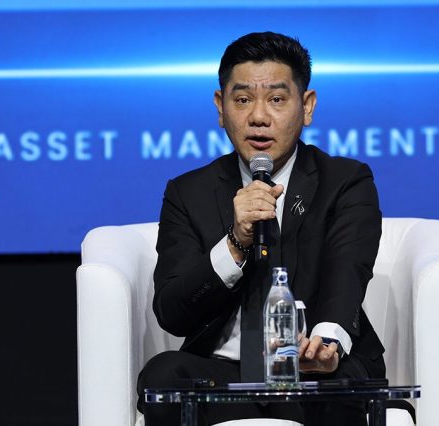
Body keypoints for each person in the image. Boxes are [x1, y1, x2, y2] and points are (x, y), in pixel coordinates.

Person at [137, 31, 386, 426]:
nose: (258, 117)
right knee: (164, 376)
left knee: (337, 387)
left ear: (307, 106)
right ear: (220, 107)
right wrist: (235, 242)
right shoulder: (188, 192)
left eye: (276, 99)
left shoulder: (344, 181)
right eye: (242, 100)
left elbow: (347, 272)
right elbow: (173, 313)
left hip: (314, 371)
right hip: (226, 375)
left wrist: (326, 343)